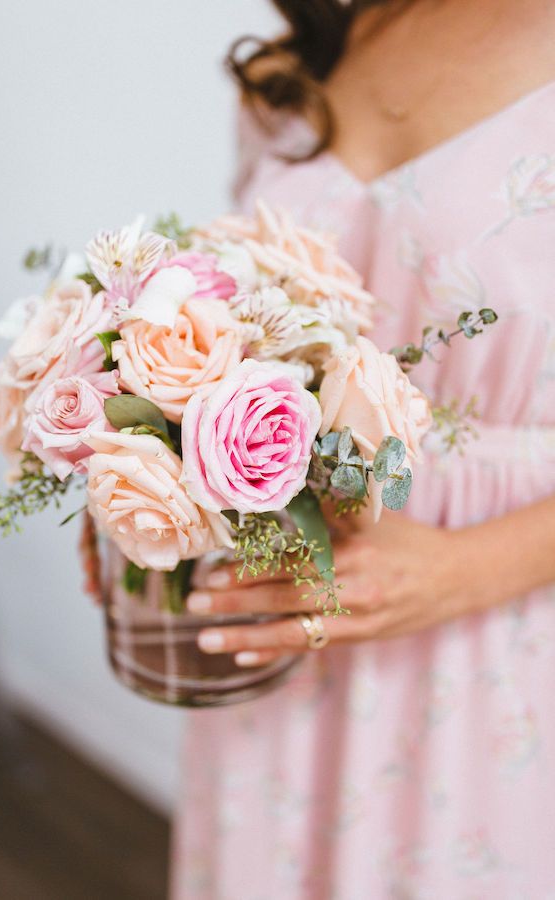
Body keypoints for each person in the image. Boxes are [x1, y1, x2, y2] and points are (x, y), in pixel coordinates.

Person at [172, 2, 555, 896]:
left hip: (510, 634)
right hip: (289, 619)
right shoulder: (300, 54)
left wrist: (473, 568)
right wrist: (149, 475)